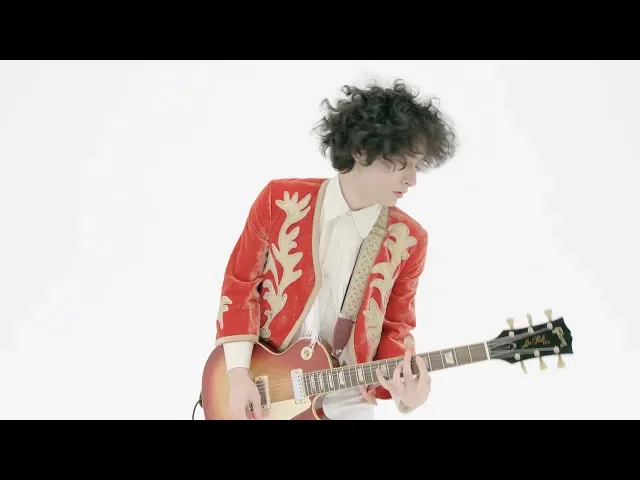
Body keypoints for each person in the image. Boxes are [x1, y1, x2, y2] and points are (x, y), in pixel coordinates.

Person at [213, 78, 458, 419]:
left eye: (417, 166)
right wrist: (238, 374)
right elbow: (241, 285)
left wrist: (408, 393)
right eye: (402, 163)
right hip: (264, 385)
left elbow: (395, 328)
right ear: (361, 151)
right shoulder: (279, 200)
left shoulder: (409, 240)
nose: (412, 180)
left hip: (346, 396)